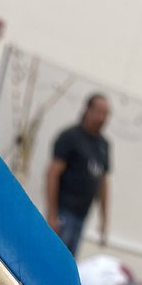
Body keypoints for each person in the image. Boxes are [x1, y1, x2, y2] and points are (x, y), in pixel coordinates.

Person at [45, 94, 112, 257]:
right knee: (53, 257)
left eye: (106, 114)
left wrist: (103, 219)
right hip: (64, 212)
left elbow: (103, 183)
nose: (102, 118)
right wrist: (52, 214)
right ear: (88, 111)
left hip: (82, 215)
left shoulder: (104, 145)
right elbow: (52, 174)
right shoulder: (70, 137)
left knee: (69, 260)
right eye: (99, 112)